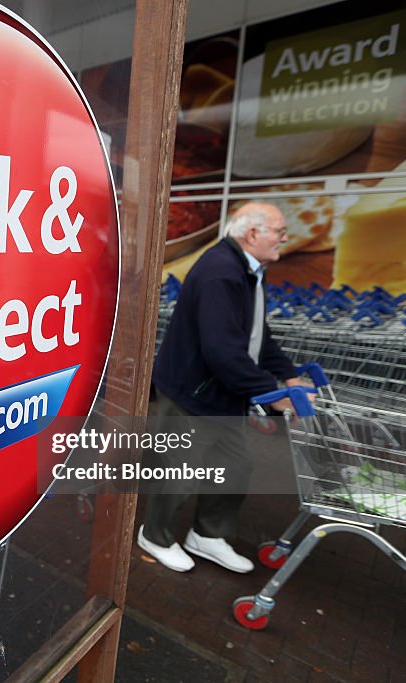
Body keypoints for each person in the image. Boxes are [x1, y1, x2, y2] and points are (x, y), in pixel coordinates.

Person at [139, 202, 309, 573]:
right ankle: (155, 535)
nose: (284, 237)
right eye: (279, 231)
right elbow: (222, 350)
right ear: (252, 235)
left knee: (234, 466)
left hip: (220, 393)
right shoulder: (222, 272)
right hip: (193, 392)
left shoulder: (248, 271)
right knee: (179, 471)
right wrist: (275, 394)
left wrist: (289, 374)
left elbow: (256, 335)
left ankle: (207, 535)